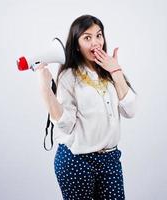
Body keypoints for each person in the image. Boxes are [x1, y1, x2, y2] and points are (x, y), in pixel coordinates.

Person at [37, 14, 137, 200]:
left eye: (99, 35)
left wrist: (116, 71)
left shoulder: (111, 71)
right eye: (87, 38)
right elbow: (66, 125)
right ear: (76, 44)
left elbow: (130, 110)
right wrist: (45, 90)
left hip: (110, 159)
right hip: (77, 160)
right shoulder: (68, 77)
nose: (96, 43)